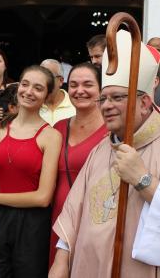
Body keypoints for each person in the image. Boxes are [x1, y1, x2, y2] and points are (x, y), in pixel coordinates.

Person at [49, 30, 160, 278]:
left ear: (144, 103)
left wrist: (144, 180)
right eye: (103, 99)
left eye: (117, 97)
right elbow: (73, 210)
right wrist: (60, 260)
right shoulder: (102, 148)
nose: (107, 106)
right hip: (87, 266)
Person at [0, 66, 62, 278]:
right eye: (25, 84)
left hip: (33, 226)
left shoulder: (51, 136)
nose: (29, 91)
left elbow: (43, 197)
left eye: (38, 88)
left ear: (46, 96)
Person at [49, 62, 107, 266]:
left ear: (101, 89)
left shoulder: (112, 131)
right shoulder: (58, 128)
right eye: (73, 85)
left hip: (94, 222)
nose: (79, 90)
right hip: (58, 220)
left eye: (88, 84)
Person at [39, 59, 76, 125]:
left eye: (49, 76)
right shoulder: (32, 105)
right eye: (40, 76)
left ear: (61, 81)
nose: (43, 81)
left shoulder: (75, 104)